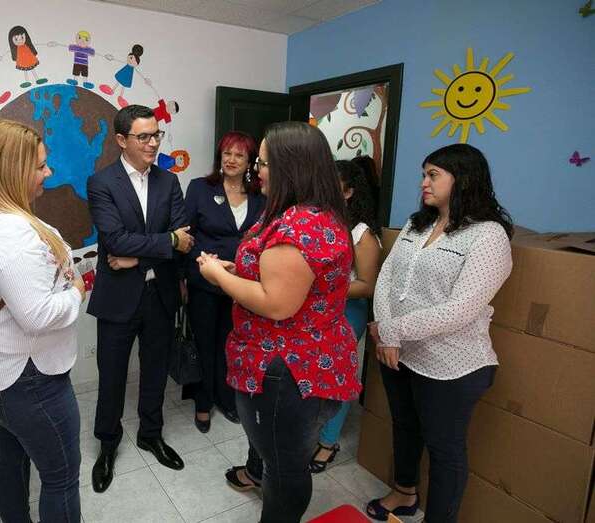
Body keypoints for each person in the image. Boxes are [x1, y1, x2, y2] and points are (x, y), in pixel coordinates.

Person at [197, 121, 360, 523]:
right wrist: (240, 269)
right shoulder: (315, 215)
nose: (258, 172)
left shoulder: (296, 228)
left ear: (292, 168)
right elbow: (290, 280)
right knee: (285, 458)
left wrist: (218, 276)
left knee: (284, 466)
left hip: (286, 369)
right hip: (308, 359)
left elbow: (276, 304)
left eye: (264, 164)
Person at [366, 143, 513, 522]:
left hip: (451, 365)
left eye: (433, 175)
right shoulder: (417, 224)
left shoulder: (488, 236)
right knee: (405, 427)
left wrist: (391, 329)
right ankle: (404, 493)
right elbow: (386, 278)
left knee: (444, 451)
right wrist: (388, 334)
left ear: (462, 178)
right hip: (398, 353)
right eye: (423, 174)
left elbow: (461, 309)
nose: (423, 183)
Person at [0, 119, 87, 523]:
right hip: (28, 382)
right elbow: (38, 316)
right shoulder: (11, 235)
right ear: (14, 171)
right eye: (41, 166)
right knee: (61, 478)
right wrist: (76, 292)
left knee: (11, 455)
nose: (49, 172)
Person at [86, 104, 194, 493]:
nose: (152, 143)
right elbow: (116, 240)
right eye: (143, 136)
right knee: (112, 377)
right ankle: (107, 444)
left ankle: (151, 434)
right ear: (121, 140)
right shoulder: (101, 183)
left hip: (160, 294)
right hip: (117, 298)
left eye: (156, 135)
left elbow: (185, 239)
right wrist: (166, 242)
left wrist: (139, 256)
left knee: (155, 372)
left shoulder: (169, 181)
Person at [183, 131, 265, 433]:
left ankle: (227, 397)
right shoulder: (200, 188)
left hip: (242, 285)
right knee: (205, 343)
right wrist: (184, 277)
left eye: (239, 155)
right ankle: (203, 401)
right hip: (204, 282)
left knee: (232, 343)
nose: (231, 160)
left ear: (250, 162)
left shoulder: (261, 196)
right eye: (227, 153)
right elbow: (186, 235)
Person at [309, 159, 382, 472]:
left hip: (346, 311)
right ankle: (312, 430)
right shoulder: (318, 222)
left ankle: (328, 443)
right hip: (316, 309)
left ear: (349, 192)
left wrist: (323, 287)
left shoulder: (362, 234)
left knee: (336, 377)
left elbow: (367, 285)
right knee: (313, 372)